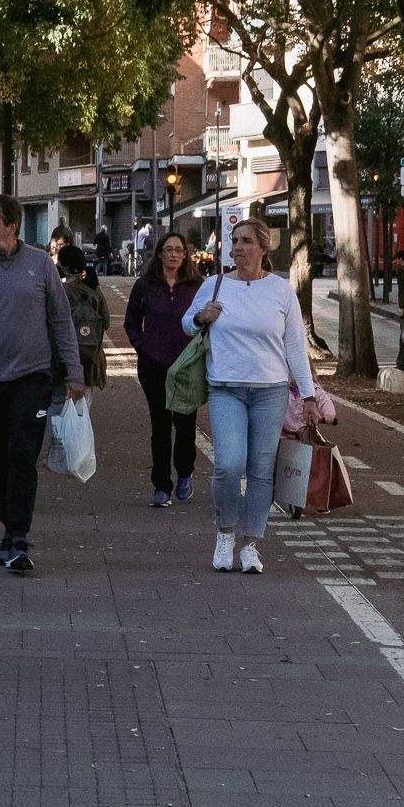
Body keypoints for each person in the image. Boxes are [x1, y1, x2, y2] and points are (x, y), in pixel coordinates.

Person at [182, 218, 318, 574]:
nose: (237, 247)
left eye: (245, 241)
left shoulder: (281, 290)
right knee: (229, 464)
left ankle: (251, 543)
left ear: (263, 248)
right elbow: (186, 323)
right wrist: (200, 317)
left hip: (270, 391)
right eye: (233, 241)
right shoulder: (215, 285)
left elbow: (295, 347)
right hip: (226, 387)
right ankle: (225, 533)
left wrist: (307, 395)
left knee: (261, 470)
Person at [0, 195, 84, 575]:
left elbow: (61, 319)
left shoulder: (40, 264)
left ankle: (19, 535)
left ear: (13, 227)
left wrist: (75, 371)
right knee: (0, 457)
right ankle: (8, 529)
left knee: (22, 453)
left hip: (32, 377)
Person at [124, 232, 204, 508]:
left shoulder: (196, 285)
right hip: (154, 366)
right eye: (168, 250)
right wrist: (142, 347)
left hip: (187, 367)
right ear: (159, 254)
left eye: (178, 250)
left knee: (185, 425)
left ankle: (185, 471)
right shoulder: (145, 285)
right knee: (160, 426)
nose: (173, 255)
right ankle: (161, 485)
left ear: (185, 255)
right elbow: (131, 321)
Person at [58, 244, 110, 392]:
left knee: (67, 409)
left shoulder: (62, 292)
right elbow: (106, 321)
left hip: (69, 356)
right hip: (92, 354)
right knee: (84, 406)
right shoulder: (93, 287)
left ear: (65, 267)